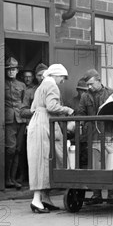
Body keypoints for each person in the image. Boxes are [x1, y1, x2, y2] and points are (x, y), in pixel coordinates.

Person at [27, 64, 75, 213]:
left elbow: (33, 108)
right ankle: (36, 200)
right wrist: (68, 110)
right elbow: (52, 107)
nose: (63, 80)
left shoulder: (42, 86)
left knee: (45, 159)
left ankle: (45, 199)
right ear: (55, 75)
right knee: (43, 160)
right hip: (44, 123)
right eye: (62, 77)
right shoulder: (52, 86)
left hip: (37, 121)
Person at [78, 69, 113, 204]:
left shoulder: (111, 93)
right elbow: (81, 113)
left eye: (91, 84)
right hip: (92, 133)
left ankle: (111, 193)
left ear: (99, 80)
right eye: (87, 84)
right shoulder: (85, 96)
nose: (89, 87)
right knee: (94, 163)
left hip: (108, 132)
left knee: (109, 160)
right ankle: (96, 194)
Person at [4, 57, 25, 189]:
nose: (11, 72)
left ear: (17, 71)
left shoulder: (21, 85)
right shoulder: (2, 83)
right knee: (10, 150)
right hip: (9, 120)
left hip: (21, 119)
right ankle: (6, 178)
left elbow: (23, 102)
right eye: (9, 70)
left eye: (14, 69)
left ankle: (12, 179)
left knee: (17, 150)